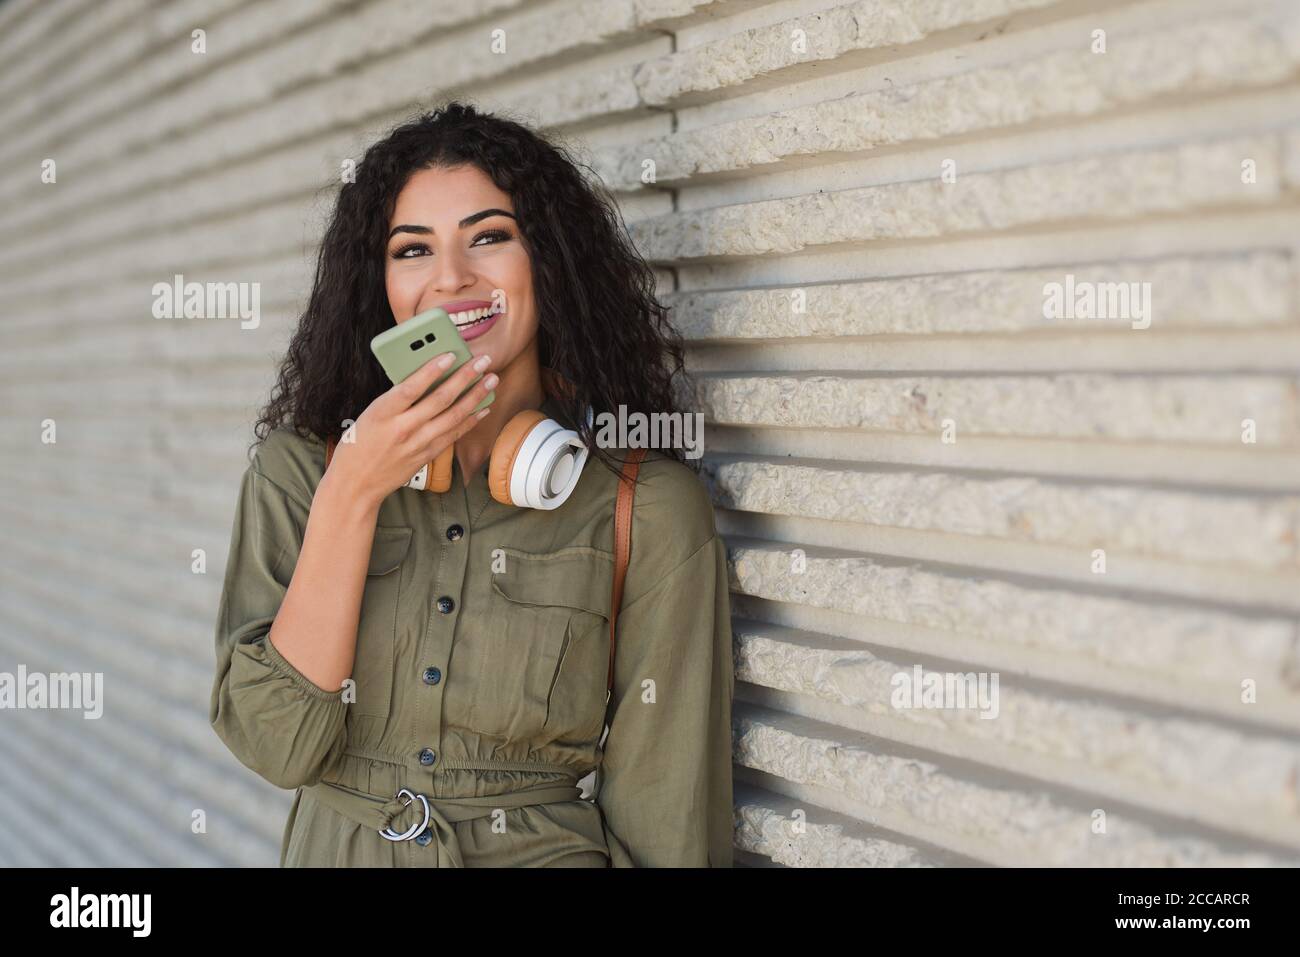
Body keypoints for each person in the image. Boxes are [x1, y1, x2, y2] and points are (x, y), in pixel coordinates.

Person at [208, 101, 734, 867]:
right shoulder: (302, 475)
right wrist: (352, 491)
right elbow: (276, 745)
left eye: (489, 237)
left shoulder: (642, 508)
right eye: (411, 250)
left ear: (547, 262)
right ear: (378, 282)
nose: (451, 278)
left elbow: (671, 816)